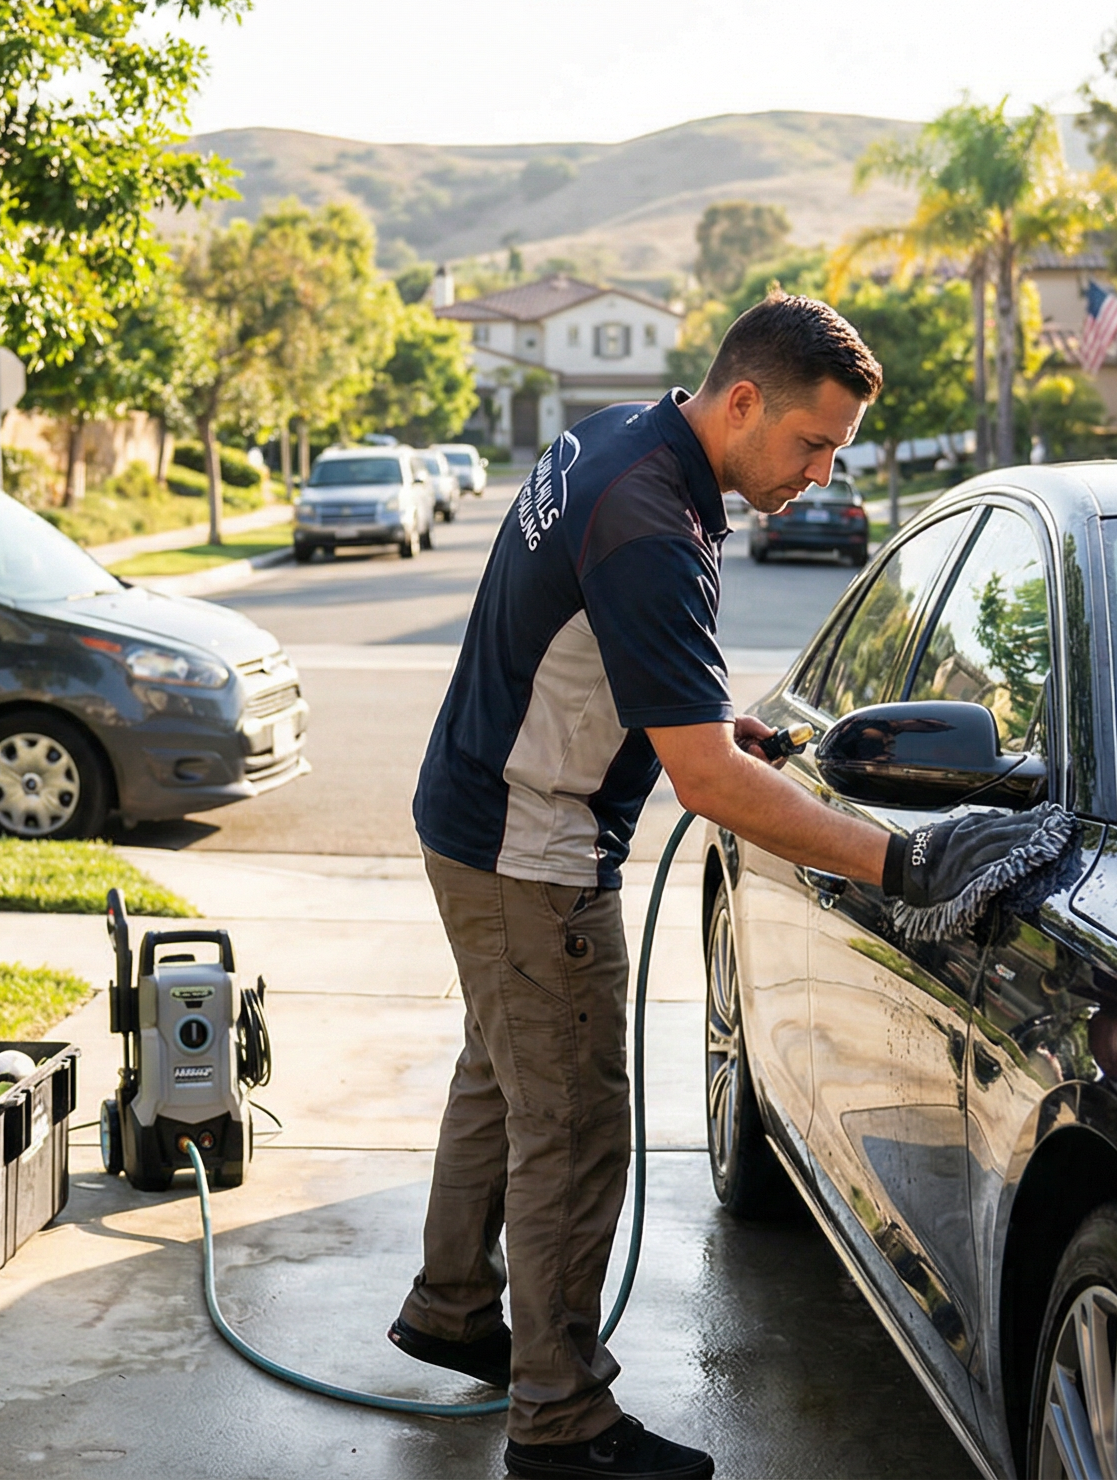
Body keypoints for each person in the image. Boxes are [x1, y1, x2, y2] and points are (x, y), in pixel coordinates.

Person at [397, 292, 1057, 1480]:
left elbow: (602, 656)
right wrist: (901, 859)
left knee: (501, 1077)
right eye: (812, 443)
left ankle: (452, 1308)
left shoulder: (615, 442)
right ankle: (559, 1423)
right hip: (529, 851)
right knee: (574, 1127)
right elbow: (704, 786)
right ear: (742, 400)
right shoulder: (654, 524)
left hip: (471, 816)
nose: (817, 473)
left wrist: (701, 727)